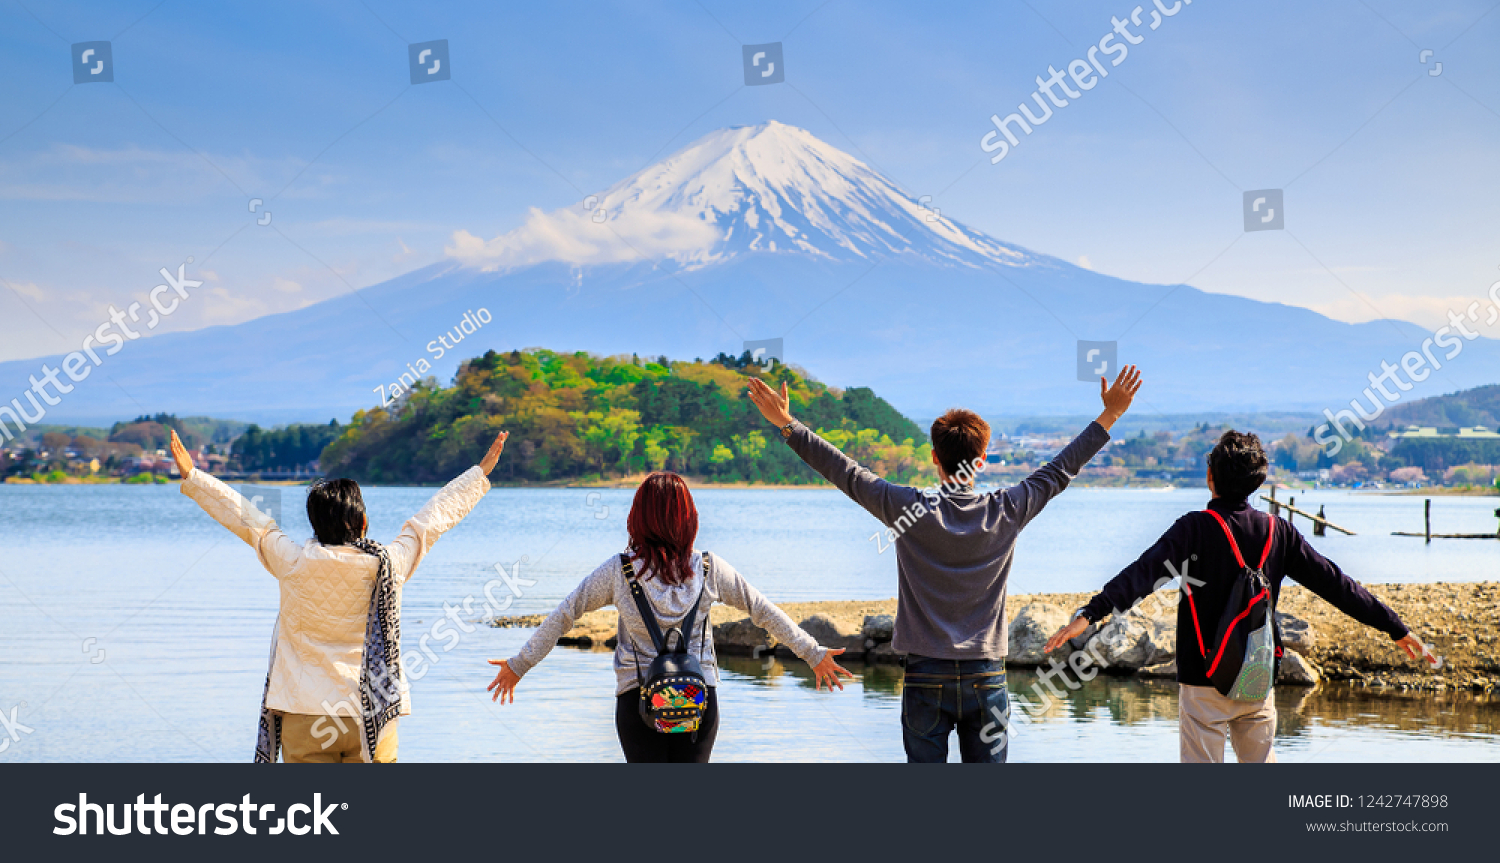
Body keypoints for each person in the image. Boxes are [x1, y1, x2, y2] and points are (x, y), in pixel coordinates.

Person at [746, 367, 1143, 762]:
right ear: (982, 460)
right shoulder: (1008, 508)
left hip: (924, 674)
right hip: (986, 676)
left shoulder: (907, 508)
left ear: (934, 457)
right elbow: (1061, 469)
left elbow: (845, 472)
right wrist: (1110, 416)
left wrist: (786, 423)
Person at [1043, 429, 1437, 763]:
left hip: (1202, 683)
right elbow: (1337, 584)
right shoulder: (1278, 532)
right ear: (1257, 482)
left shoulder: (1193, 529)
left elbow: (1141, 576)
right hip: (1256, 678)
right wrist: (1394, 627)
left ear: (1210, 477)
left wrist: (1089, 613)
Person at [170, 427, 506, 763]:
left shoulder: (292, 561)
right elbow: (428, 522)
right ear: (362, 523)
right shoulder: (389, 565)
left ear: (315, 525)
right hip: (372, 713)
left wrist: (194, 477)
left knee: (317, 815)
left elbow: (250, 521)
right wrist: (479, 475)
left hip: (305, 713)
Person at [485, 471, 854, 763]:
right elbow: (764, 612)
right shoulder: (710, 569)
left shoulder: (619, 571)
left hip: (638, 700)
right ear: (688, 517)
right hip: (699, 697)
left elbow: (567, 613)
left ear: (638, 517)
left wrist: (520, 664)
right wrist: (813, 653)